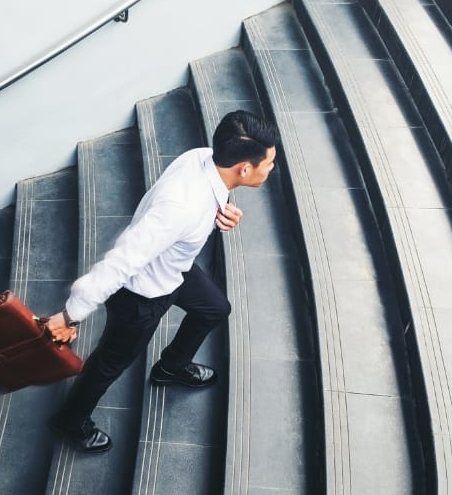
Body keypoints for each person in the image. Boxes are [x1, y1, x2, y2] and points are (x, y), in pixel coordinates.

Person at [43, 110, 280, 452]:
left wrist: (220, 214)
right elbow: (120, 263)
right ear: (245, 169)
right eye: (268, 163)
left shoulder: (202, 158)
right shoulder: (180, 210)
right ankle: (69, 421)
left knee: (215, 309)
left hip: (174, 270)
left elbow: (200, 205)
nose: (271, 168)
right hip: (141, 294)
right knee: (109, 364)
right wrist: (68, 316)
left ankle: (171, 367)